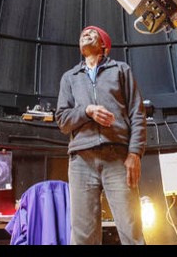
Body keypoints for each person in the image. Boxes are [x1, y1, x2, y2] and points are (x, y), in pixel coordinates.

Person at [56, 25, 146, 245]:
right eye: (83, 34)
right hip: (81, 162)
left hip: (117, 158)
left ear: (104, 45)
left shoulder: (121, 70)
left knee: (130, 228)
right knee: (82, 235)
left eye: (92, 33)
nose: (85, 34)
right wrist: (87, 111)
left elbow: (138, 113)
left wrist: (135, 153)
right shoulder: (70, 77)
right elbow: (62, 120)